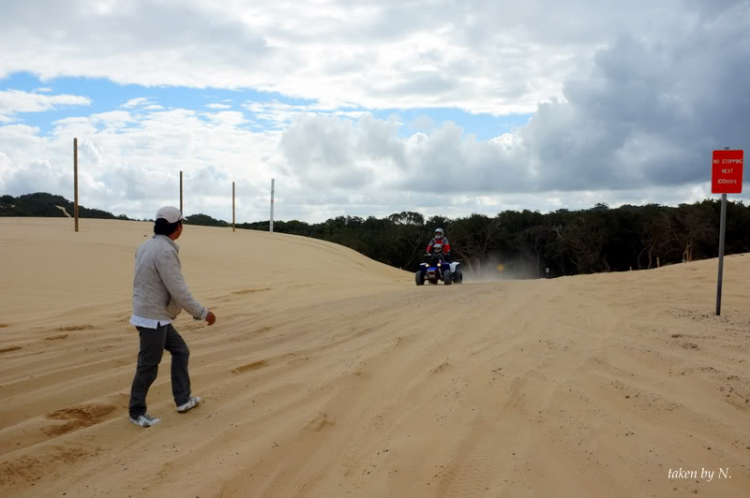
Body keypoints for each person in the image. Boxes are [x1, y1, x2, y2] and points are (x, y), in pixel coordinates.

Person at [128, 206, 216, 428]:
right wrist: (202, 313)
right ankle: (136, 412)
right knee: (148, 366)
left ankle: (183, 399)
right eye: (181, 223)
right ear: (177, 227)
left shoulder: (146, 245)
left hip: (154, 314)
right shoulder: (165, 252)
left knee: (180, 350)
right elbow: (178, 290)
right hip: (152, 317)